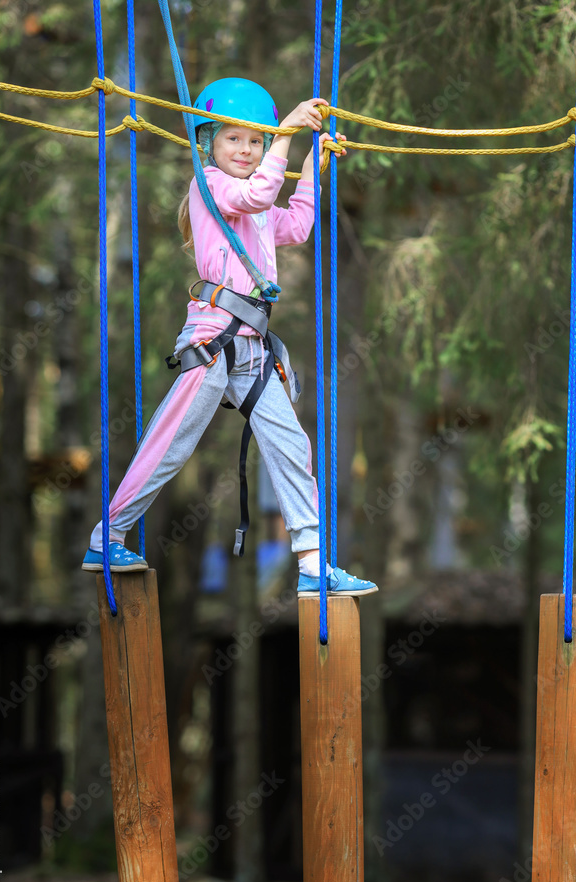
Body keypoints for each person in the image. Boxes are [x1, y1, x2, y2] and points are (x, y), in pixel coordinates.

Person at [82, 78, 377, 597]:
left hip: (252, 348)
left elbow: (299, 225)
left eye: (255, 141)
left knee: (291, 446)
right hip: (213, 338)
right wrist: (285, 134)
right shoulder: (211, 186)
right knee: (171, 443)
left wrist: (309, 170)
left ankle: (312, 563)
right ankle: (108, 535)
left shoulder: (254, 204)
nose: (246, 150)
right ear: (208, 145)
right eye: (234, 140)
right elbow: (258, 191)